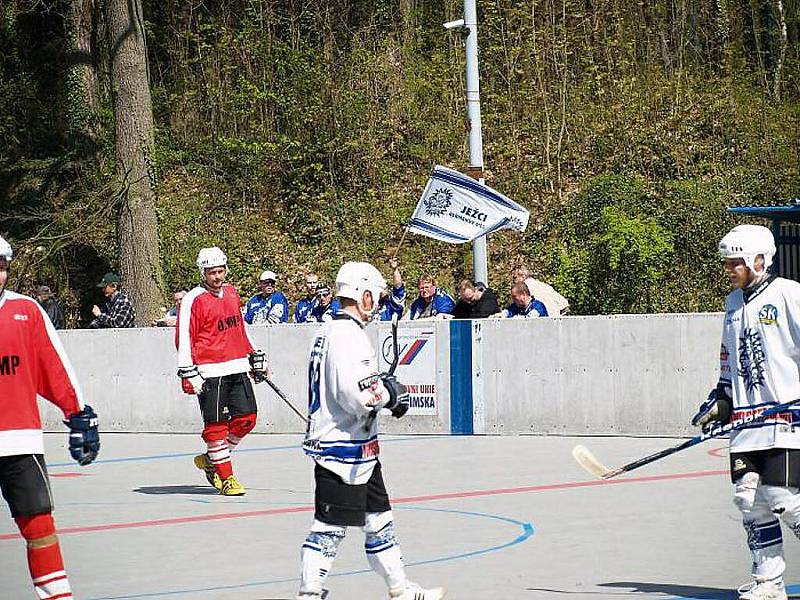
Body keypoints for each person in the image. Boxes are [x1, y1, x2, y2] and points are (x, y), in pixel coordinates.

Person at [296, 261, 445, 600]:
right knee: (328, 530)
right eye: (375, 296)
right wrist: (391, 395)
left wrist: (382, 390)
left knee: (379, 521)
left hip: (360, 449)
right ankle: (309, 592)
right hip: (341, 449)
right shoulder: (348, 336)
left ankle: (400, 588)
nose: (377, 304)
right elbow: (357, 396)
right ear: (363, 296)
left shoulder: (328, 330)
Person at [692, 225, 800, 600]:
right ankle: (769, 583)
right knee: (749, 501)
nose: (729, 268)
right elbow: (728, 356)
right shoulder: (733, 303)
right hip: (746, 420)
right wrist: (721, 396)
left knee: (782, 497)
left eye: (736, 261)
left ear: (759, 260)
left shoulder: (788, 294)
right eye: (727, 262)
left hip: (787, 418)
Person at [0, 235, 100, 600]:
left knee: (40, 525)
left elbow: (54, 368)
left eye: (2, 266)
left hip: (18, 441)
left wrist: (78, 414)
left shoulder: (25, 312)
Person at [177, 247, 269, 496]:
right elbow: (184, 335)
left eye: (220, 271)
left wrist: (255, 354)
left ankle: (212, 459)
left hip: (237, 365)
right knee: (216, 427)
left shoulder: (231, 293)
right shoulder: (193, 299)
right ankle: (226, 477)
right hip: (209, 371)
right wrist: (187, 370)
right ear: (203, 273)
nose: (217, 276)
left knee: (247, 419)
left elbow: (240, 325)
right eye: (211, 272)